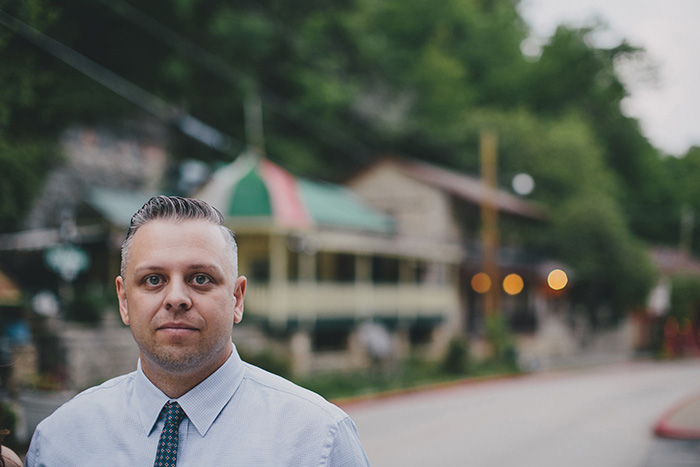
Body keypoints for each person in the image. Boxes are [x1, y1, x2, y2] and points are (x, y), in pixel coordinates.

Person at [26, 196, 369, 466]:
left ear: (236, 298)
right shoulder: (60, 442)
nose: (176, 298)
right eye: (153, 280)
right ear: (124, 300)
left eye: (200, 279)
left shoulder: (318, 441)